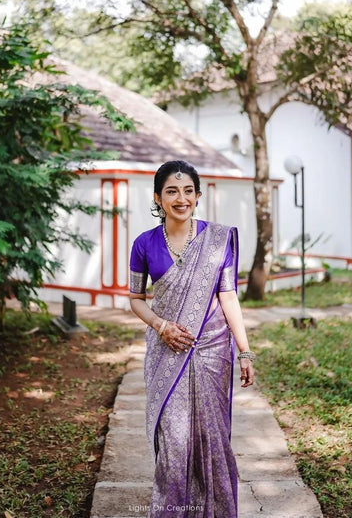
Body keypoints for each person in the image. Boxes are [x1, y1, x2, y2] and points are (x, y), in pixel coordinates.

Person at [129, 160, 256, 518]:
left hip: (213, 351)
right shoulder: (144, 244)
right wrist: (161, 326)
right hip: (166, 353)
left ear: (198, 196)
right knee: (173, 442)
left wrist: (245, 353)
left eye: (188, 191)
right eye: (171, 190)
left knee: (212, 440)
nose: (180, 198)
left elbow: (228, 295)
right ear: (158, 197)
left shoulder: (218, 239)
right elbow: (136, 300)